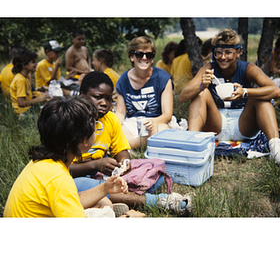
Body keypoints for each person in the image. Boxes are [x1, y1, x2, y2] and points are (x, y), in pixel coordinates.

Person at [70, 71, 190, 214]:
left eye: (109, 99)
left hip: (102, 173)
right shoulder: (70, 121)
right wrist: (95, 164)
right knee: (87, 185)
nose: (104, 103)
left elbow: (121, 151)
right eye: (97, 97)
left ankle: (113, 202)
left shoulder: (111, 119)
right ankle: (157, 201)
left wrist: (124, 163)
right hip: (75, 177)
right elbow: (63, 168)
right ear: (81, 96)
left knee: (154, 174)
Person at [180, 28, 280, 170]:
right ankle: (192, 148)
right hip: (217, 122)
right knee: (200, 94)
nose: (223, 57)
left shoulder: (247, 68)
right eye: (218, 52)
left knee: (262, 98)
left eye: (228, 52)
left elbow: (276, 91)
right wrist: (201, 85)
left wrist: (246, 92)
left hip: (243, 123)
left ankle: (277, 151)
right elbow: (183, 96)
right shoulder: (209, 68)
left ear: (238, 52)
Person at [3, 96, 131, 217]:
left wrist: (105, 188)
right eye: (95, 127)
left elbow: (73, 199)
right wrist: (127, 218)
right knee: (105, 210)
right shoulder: (59, 179)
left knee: (103, 203)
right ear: (85, 141)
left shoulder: (42, 164)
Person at [115, 36, 173, 149]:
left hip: (156, 121)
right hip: (132, 122)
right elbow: (121, 113)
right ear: (132, 57)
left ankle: (129, 146)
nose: (144, 58)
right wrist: (112, 125)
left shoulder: (163, 78)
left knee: (162, 130)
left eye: (149, 55)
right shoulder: (123, 79)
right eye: (139, 54)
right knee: (116, 131)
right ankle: (141, 144)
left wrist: (154, 121)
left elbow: (167, 115)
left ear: (152, 59)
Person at [10, 48, 49, 117]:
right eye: (33, 62)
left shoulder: (24, 77)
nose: (36, 64)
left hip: (28, 108)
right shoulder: (21, 80)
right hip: (23, 113)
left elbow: (28, 95)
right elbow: (21, 103)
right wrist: (38, 99)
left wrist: (41, 95)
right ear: (24, 65)